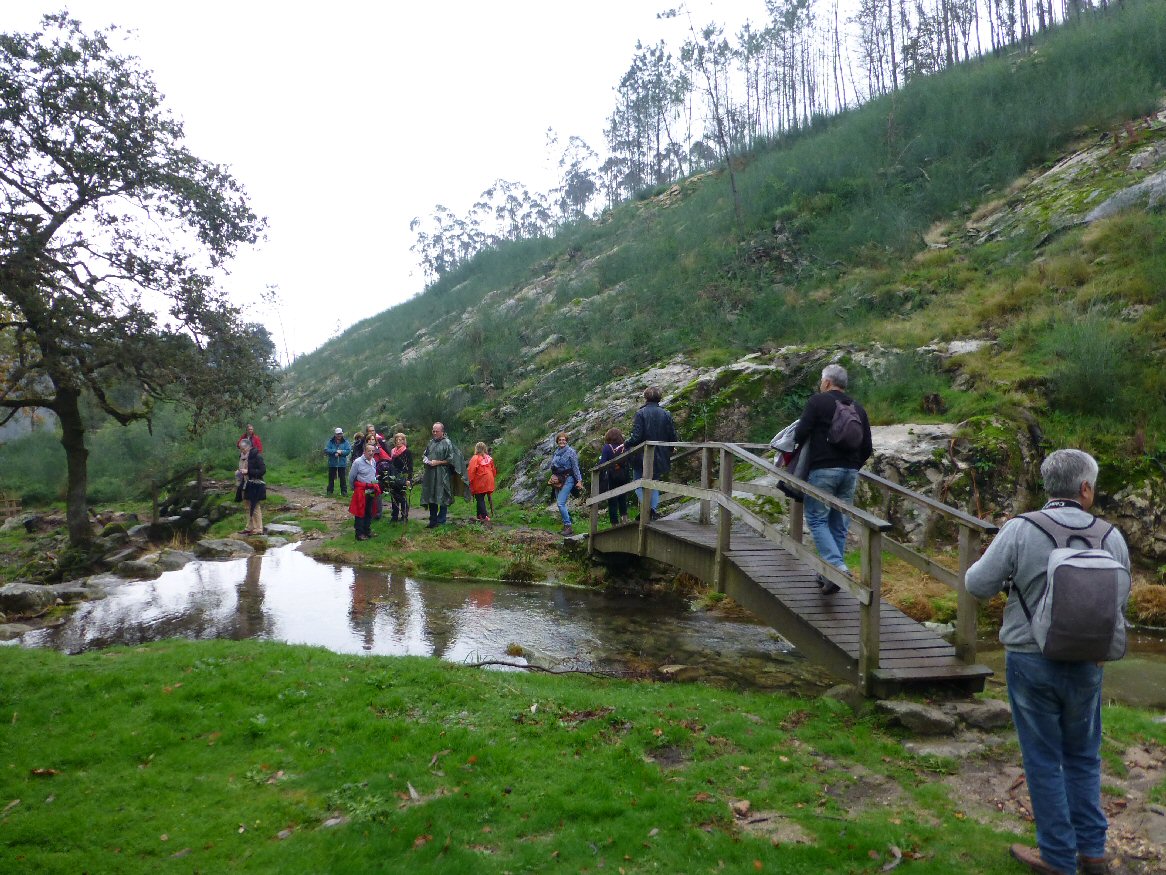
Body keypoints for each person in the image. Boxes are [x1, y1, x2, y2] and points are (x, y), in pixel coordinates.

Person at [966, 450, 1129, 875]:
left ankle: (1056, 857)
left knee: (1043, 758)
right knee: (1084, 757)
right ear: (1085, 488)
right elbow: (1119, 601)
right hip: (1088, 662)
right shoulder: (1110, 536)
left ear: (1048, 485)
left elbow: (977, 584)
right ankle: (1093, 853)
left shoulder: (1022, 528)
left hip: (1029, 659)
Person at [792, 364, 873, 594]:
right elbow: (867, 447)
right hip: (850, 473)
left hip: (823, 470)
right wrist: (852, 466)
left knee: (816, 519)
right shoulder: (858, 408)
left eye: (821, 380)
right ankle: (828, 574)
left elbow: (800, 433)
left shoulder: (818, 402)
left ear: (827, 382)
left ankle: (837, 568)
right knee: (839, 522)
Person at [626, 385, 678, 520]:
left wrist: (626, 444)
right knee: (654, 483)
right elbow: (672, 434)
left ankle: (647, 510)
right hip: (660, 455)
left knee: (638, 483)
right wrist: (671, 447)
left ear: (646, 397)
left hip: (642, 455)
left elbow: (636, 436)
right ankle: (653, 511)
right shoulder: (666, 414)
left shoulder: (641, 413)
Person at [420, 422, 464, 528]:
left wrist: (438, 462)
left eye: (437, 431)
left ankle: (442, 519)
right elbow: (425, 454)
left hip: (443, 475)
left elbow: (451, 459)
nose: (434, 433)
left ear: (442, 432)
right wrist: (425, 459)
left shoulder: (447, 443)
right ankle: (433, 520)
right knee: (431, 496)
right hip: (430, 474)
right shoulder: (431, 443)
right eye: (433, 431)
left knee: (443, 496)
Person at [549, 431, 583, 537]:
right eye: (560, 440)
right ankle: (566, 524)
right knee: (560, 504)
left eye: (563, 440)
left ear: (567, 441)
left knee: (560, 503)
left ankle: (568, 526)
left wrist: (579, 481)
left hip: (568, 479)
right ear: (557, 441)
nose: (562, 441)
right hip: (557, 480)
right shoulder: (556, 452)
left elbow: (575, 467)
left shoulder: (571, 452)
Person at [348, 439, 381, 541]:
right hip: (361, 490)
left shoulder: (373, 461)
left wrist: (375, 485)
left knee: (369, 511)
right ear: (364, 452)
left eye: (373, 451)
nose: (371, 453)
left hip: (371, 490)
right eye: (369, 451)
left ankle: (367, 531)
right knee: (360, 512)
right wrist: (354, 488)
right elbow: (351, 477)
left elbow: (373, 475)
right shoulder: (357, 462)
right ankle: (359, 534)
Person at [599, 427, 630, 526]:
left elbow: (602, 463)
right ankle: (624, 520)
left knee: (612, 500)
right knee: (622, 498)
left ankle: (614, 524)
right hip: (624, 475)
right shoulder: (625, 447)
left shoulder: (607, 447)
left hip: (612, 476)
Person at [236, 438, 266, 535]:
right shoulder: (242, 456)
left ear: (249, 447)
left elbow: (262, 470)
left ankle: (259, 528)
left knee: (255, 505)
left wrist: (248, 472)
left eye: (243, 449)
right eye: (240, 449)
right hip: (245, 483)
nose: (242, 451)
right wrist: (239, 472)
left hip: (255, 484)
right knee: (247, 505)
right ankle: (250, 527)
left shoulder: (257, 456)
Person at [385, 432, 413, 523]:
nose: (398, 441)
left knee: (402, 497)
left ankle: (404, 516)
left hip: (402, 476)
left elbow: (410, 466)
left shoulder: (407, 452)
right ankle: (394, 516)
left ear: (404, 441)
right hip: (393, 476)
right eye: (397, 440)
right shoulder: (393, 451)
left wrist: (409, 479)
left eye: (400, 440)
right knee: (394, 496)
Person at [467, 441, 497, 522]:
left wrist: (469, 481)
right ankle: (479, 515)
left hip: (480, 481)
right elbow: (493, 470)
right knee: (481, 497)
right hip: (489, 480)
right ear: (484, 448)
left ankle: (485, 516)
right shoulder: (489, 458)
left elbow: (471, 471)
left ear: (476, 448)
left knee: (480, 498)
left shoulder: (475, 458)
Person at [324, 427, 351, 496]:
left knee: (342, 478)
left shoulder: (345, 442)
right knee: (331, 478)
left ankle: (344, 492)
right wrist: (335, 451)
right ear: (335, 434)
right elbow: (326, 450)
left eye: (340, 434)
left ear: (342, 434)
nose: (339, 435)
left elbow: (348, 451)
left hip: (342, 463)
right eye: (338, 434)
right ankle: (330, 491)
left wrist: (341, 452)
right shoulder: (330, 441)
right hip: (332, 463)